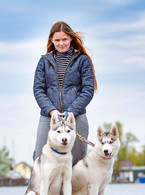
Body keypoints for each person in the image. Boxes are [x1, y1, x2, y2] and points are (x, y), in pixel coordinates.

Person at [33, 21, 97, 165]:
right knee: (39, 156)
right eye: (57, 40)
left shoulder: (83, 60)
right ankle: (38, 188)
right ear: (51, 40)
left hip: (77, 116)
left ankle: (76, 188)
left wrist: (71, 111)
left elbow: (88, 90)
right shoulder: (43, 61)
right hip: (48, 117)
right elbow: (38, 89)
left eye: (64, 39)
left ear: (71, 39)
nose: (61, 43)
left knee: (78, 160)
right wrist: (51, 111)